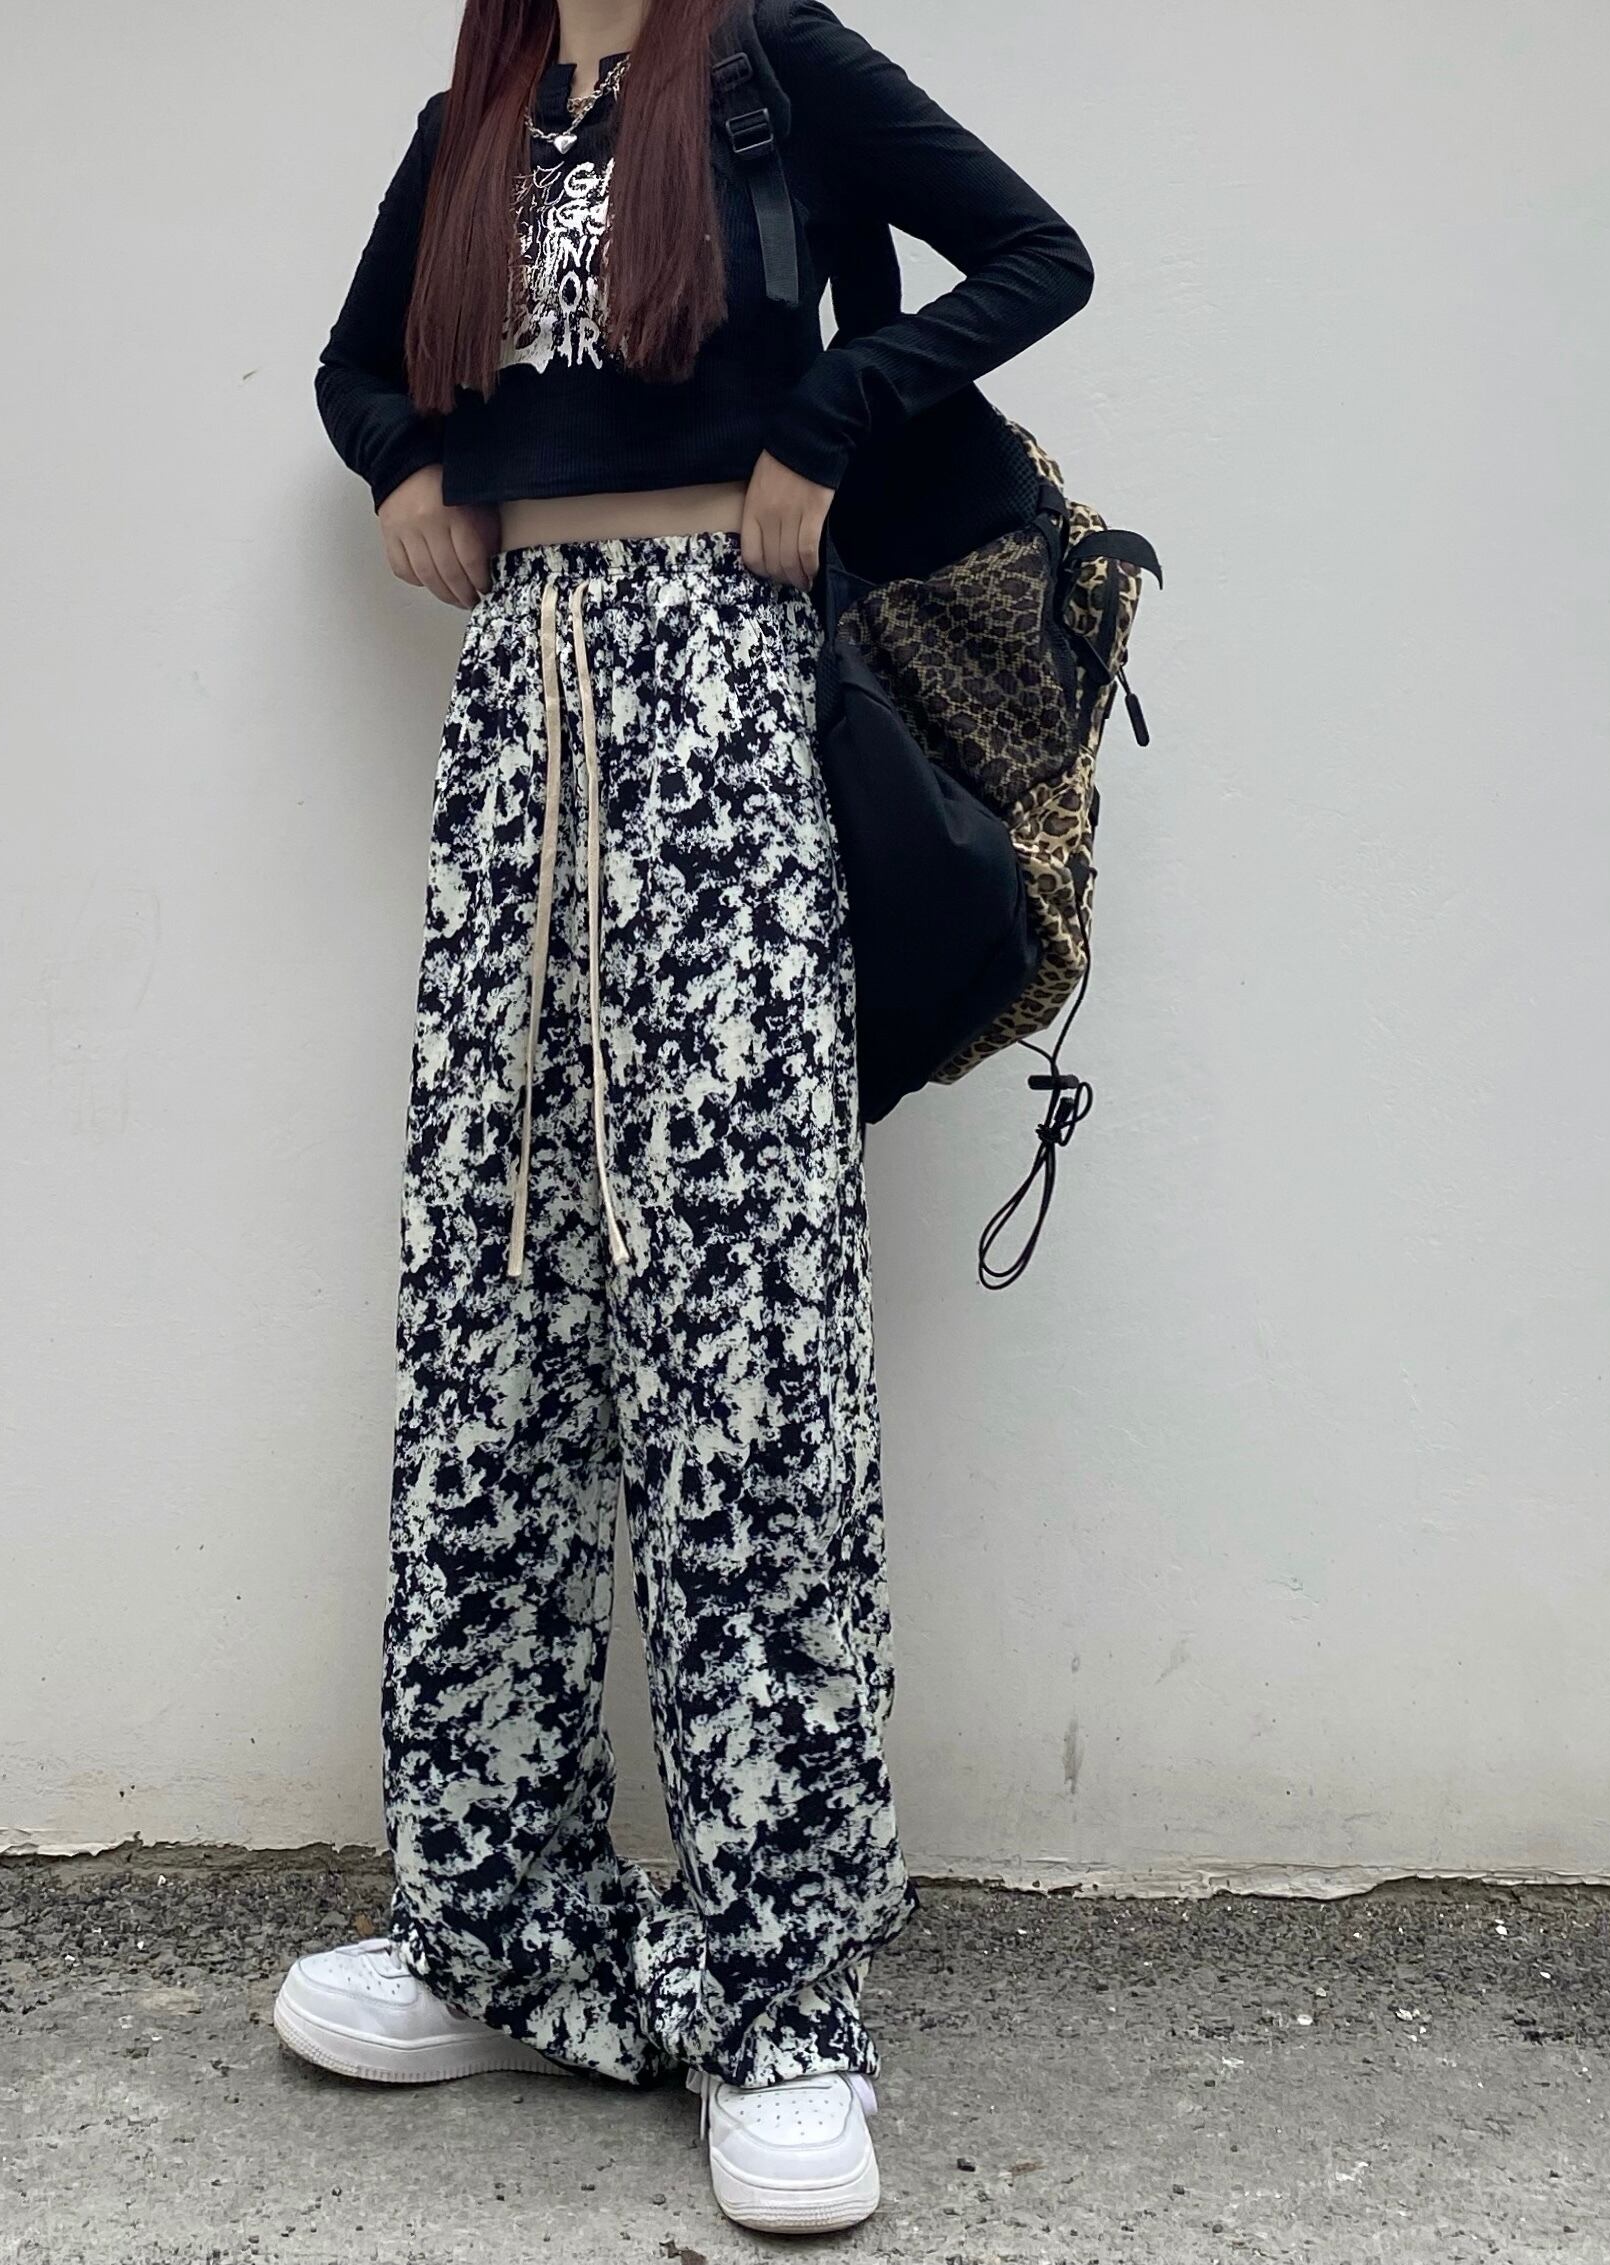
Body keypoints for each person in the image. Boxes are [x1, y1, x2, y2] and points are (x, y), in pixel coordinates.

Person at [275, 0, 1091, 2234]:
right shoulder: (479, 108)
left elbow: (1036, 253)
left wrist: (833, 412)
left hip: (725, 703)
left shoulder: (768, 65)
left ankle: (780, 1993)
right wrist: (402, 467)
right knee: (494, 1324)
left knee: (741, 1341)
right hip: (515, 721)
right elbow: (353, 362)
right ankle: (490, 1920)